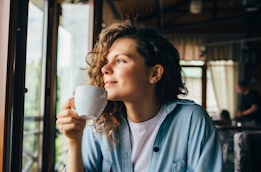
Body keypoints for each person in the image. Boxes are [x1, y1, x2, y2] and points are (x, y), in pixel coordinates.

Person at [56, 20, 223, 171]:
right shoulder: (101, 125)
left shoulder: (192, 120)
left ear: (154, 74)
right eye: (106, 61)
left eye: (120, 60)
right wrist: (74, 141)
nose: (104, 69)